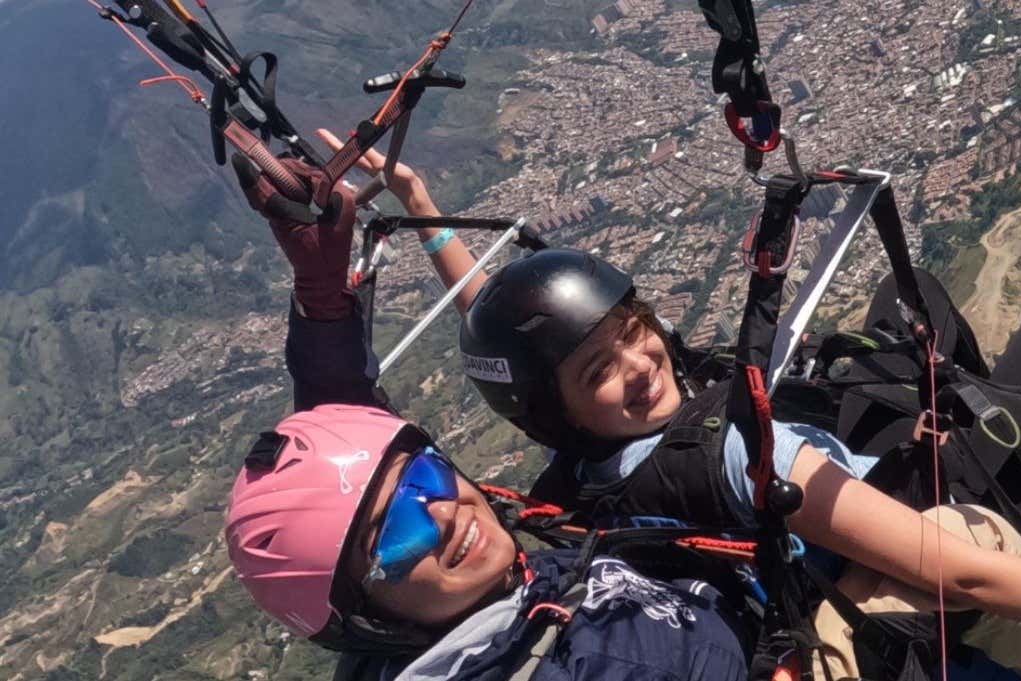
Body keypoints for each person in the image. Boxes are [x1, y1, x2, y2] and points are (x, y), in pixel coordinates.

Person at [329, 132, 1021, 681]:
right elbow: (959, 574)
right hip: (1006, 557)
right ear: (562, 410)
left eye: (633, 329)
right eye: (605, 371)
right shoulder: (730, 457)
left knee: (911, 304)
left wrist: (425, 217)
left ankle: (979, 416)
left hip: (844, 555)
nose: (641, 361)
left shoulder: (577, 481)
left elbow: (519, 340)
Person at [223, 159, 751, 680]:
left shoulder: (494, 609)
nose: (444, 513)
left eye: (426, 474)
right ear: (364, 615)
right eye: (397, 531)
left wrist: (323, 295)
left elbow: (353, 457)